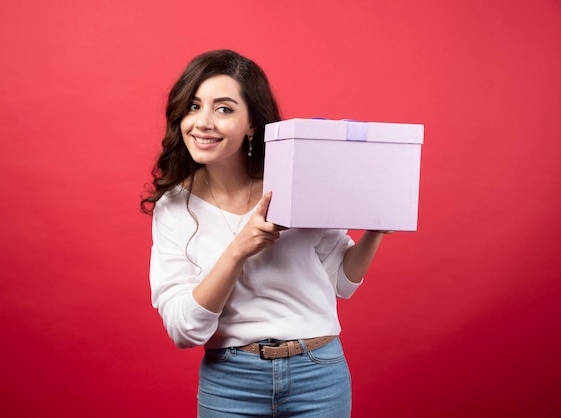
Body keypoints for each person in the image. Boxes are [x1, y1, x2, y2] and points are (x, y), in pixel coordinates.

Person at [142, 49, 389, 417]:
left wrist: (376, 230)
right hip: (230, 381)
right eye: (193, 107)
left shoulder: (296, 183)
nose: (203, 122)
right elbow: (184, 331)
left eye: (224, 109)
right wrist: (238, 250)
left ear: (253, 123)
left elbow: (342, 282)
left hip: (318, 374)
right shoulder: (175, 207)